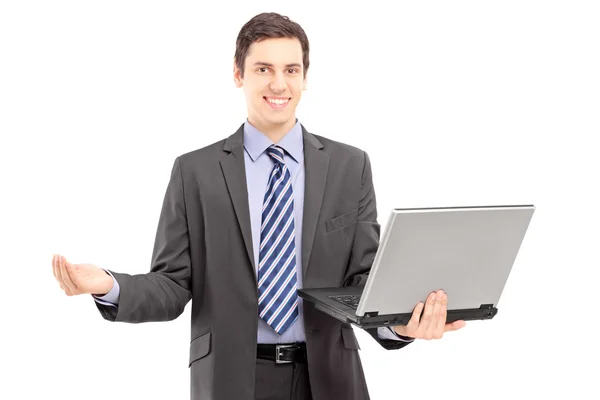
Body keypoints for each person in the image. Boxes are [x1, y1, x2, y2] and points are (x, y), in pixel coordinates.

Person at [51, 12, 466, 400]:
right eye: (263, 69)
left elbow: (362, 284)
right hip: (232, 378)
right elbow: (173, 286)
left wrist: (400, 324)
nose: (279, 84)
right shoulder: (195, 171)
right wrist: (108, 284)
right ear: (238, 74)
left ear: (305, 78)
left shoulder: (349, 165)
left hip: (330, 378)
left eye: (291, 70)